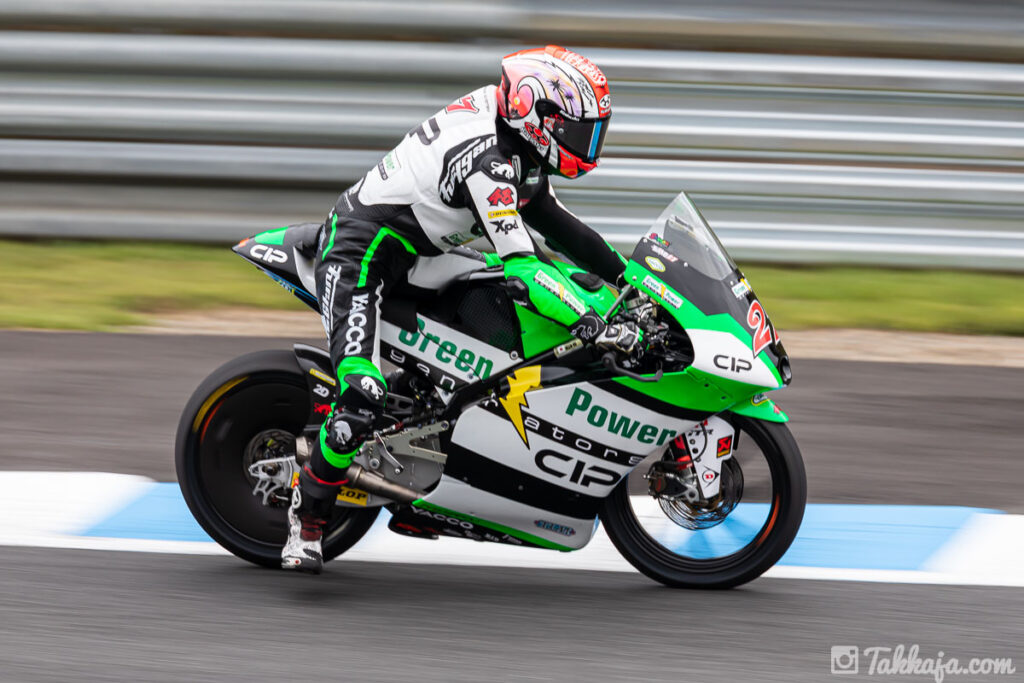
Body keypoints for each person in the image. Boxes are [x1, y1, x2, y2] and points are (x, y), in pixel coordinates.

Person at [282, 45, 640, 573]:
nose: (586, 144)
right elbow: (524, 267)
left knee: (504, 312)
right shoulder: (489, 158)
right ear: (535, 113)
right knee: (362, 393)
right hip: (362, 256)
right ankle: (308, 517)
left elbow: (560, 228)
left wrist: (632, 281)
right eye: (576, 130)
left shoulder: (516, 141)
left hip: (420, 252)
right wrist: (589, 322)